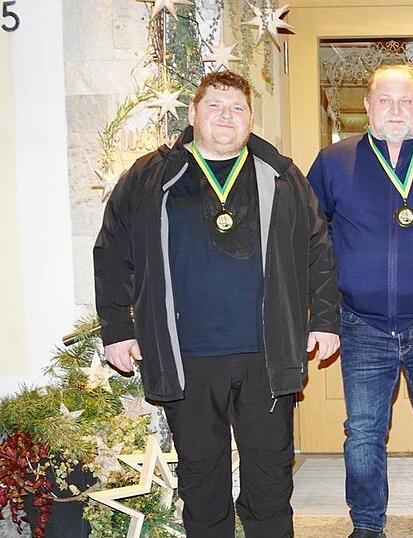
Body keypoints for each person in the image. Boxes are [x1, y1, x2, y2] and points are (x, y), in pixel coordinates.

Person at [93, 70, 340, 537]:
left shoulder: (280, 176)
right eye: (215, 106)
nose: (226, 116)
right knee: (202, 483)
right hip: (186, 357)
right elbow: (111, 252)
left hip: (267, 355)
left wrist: (325, 318)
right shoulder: (151, 176)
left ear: (250, 118)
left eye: (237, 108)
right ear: (193, 113)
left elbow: (318, 250)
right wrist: (117, 329)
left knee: (269, 482)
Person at [306, 64, 413, 538]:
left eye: (406, 101)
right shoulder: (333, 163)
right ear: (367, 107)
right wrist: (323, 314)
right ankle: (367, 525)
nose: (395, 110)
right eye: (385, 100)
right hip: (362, 325)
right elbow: (312, 243)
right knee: (363, 434)